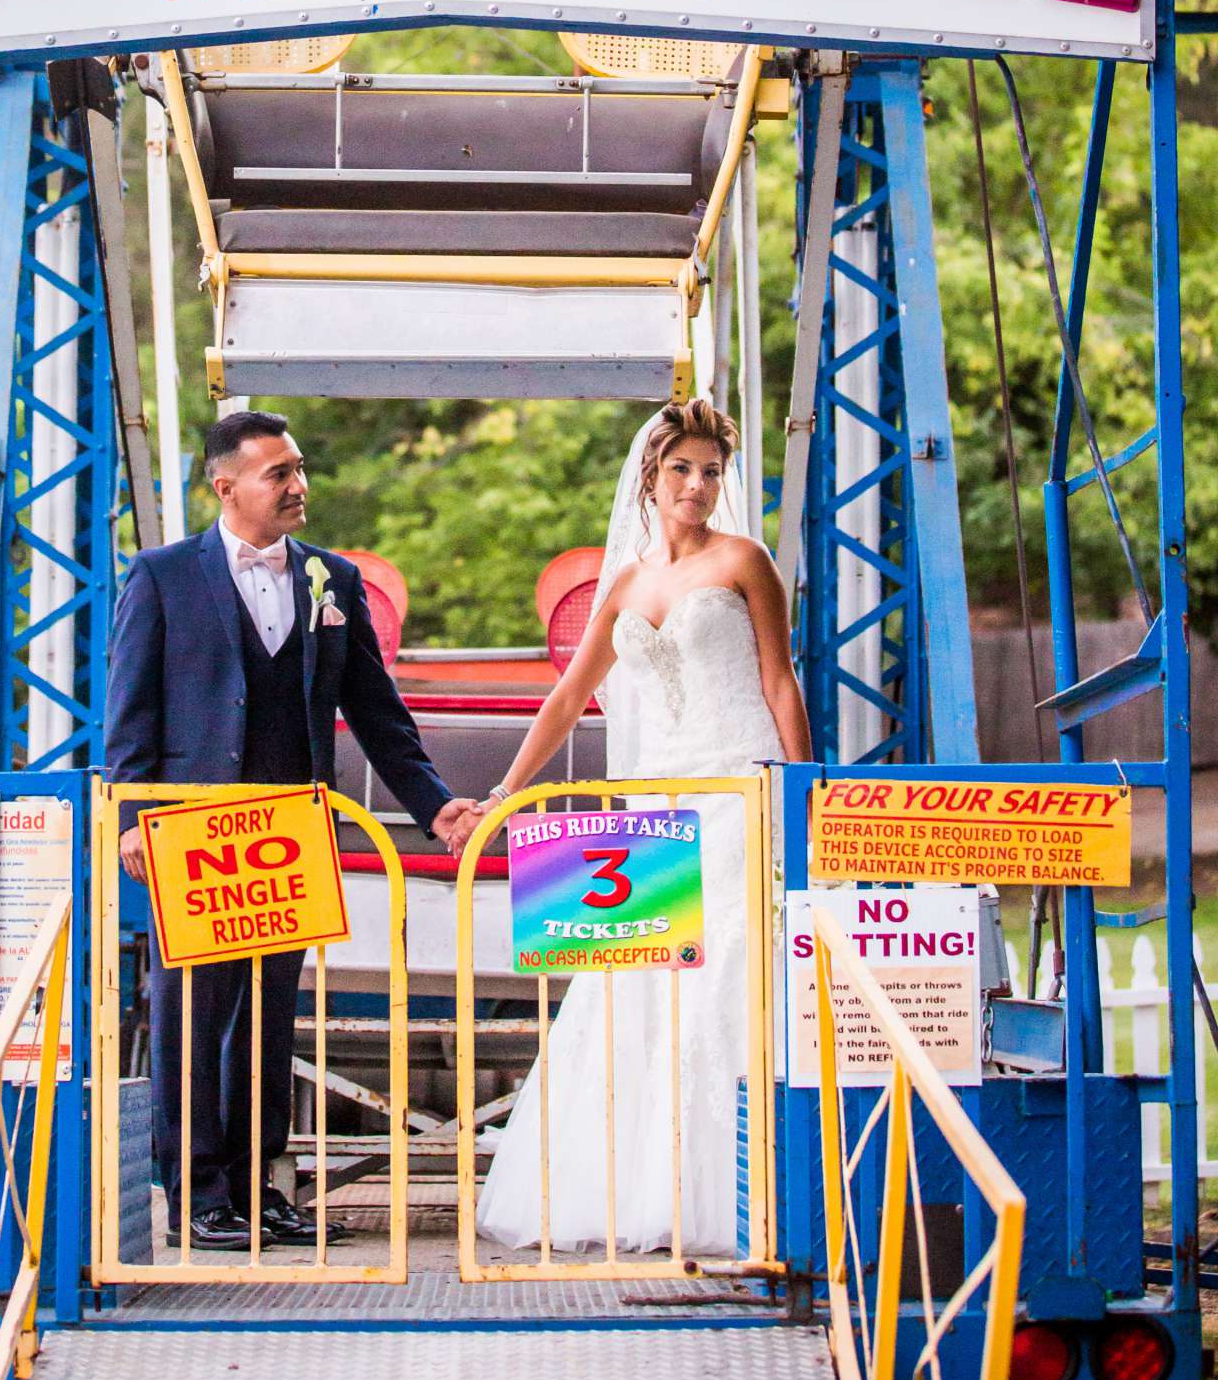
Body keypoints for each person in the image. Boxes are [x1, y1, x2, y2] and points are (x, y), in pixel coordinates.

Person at [106, 410, 474, 1253]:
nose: (298, 485)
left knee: (269, 1019)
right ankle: (196, 1195)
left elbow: (380, 719)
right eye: (278, 472)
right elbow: (130, 711)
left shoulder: (332, 582)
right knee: (191, 1015)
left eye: (300, 468)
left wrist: (436, 805)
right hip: (194, 830)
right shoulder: (161, 578)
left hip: (287, 833)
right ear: (224, 485)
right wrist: (136, 816)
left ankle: (257, 1186)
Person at [460, 397, 812, 1255]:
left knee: (729, 972)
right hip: (657, 803)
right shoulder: (625, 582)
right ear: (651, 477)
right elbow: (572, 695)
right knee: (636, 980)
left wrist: (800, 793)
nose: (698, 485)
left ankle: (749, 1186)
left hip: (740, 781)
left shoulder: (746, 559)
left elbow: (779, 680)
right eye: (683, 469)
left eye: (712, 471)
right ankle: (638, 1185)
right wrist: (505, 791)